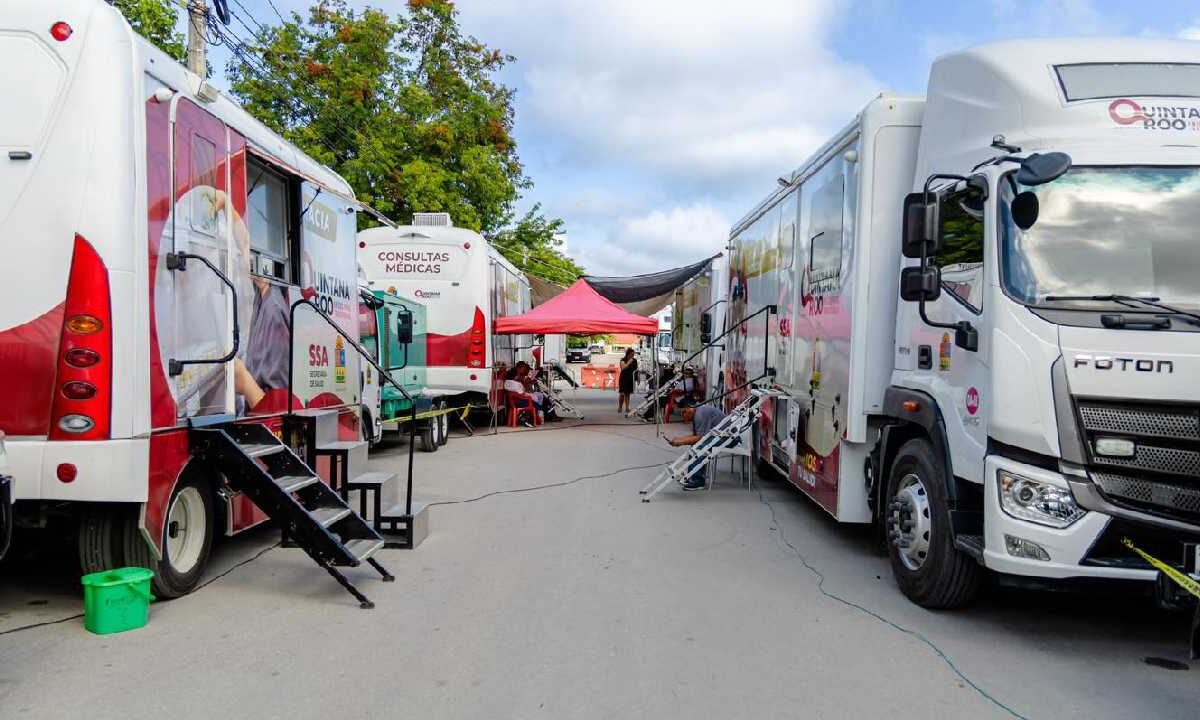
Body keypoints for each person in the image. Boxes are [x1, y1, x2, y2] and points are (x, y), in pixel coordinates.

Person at [667, 404, 727, 490]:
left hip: (727, 438)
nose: (684, 418)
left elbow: (700, 438)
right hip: (720, 435)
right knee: (695, 446)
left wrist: (681, 442)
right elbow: (696, 436)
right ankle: (691, 476)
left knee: (700, 447)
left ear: (689, 409)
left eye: (683, 413)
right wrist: (680, 439)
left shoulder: (700, 415)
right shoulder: (697, 413)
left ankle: (698, 481)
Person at [617, 348, 637, 413]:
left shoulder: (635, 361)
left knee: (628, 393)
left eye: (633, 354)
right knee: (622, 393)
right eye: (631, 354)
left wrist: (637, 378)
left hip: (630, 378)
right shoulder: (623, 360)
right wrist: (628, 363)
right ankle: (620, 407)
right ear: (628, 354)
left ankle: (627, 408)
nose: (633, 356)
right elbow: (623, 368)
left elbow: (636, 369)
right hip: (623, 378)